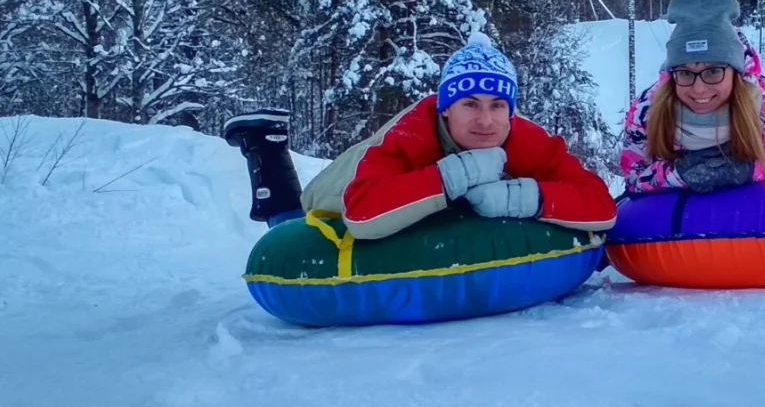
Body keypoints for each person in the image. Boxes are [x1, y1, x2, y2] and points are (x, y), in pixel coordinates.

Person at [225, 33, 618, 240]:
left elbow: (600, 205)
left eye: (498, 105)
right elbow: (361, 212)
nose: (485, 120)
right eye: (469, 104)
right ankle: (263, 145)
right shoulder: (413, 132)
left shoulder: (522, 137)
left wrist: (527, 197)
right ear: (445, 106)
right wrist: (453, 176)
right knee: (292, 224)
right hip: (334, 193)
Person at [618, 0, 765, 194]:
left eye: (713, 72)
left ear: (736, 71)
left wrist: (752, 170)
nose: (699, 88)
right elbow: (633, 178)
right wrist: (678, 174)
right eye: (685, 73)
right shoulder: (646, 111)